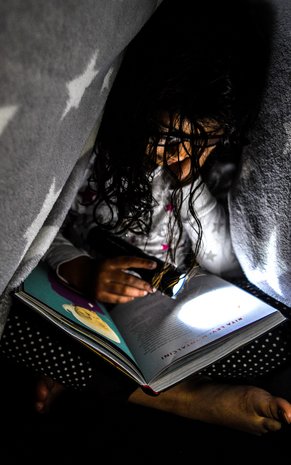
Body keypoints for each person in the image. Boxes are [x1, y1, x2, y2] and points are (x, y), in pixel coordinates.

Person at [2, 0, 291, 436]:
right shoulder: (97, 163)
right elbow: (49, 234)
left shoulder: (189, 177)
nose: (181, 158)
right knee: (15, 328)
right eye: (170, 139)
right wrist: (83, 270)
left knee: (278, 337)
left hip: (168, 311)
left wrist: (192, 188)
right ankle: (187, 399)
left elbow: (222, 260)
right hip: (95, 306)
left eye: (204, 143)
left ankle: (114, 382)